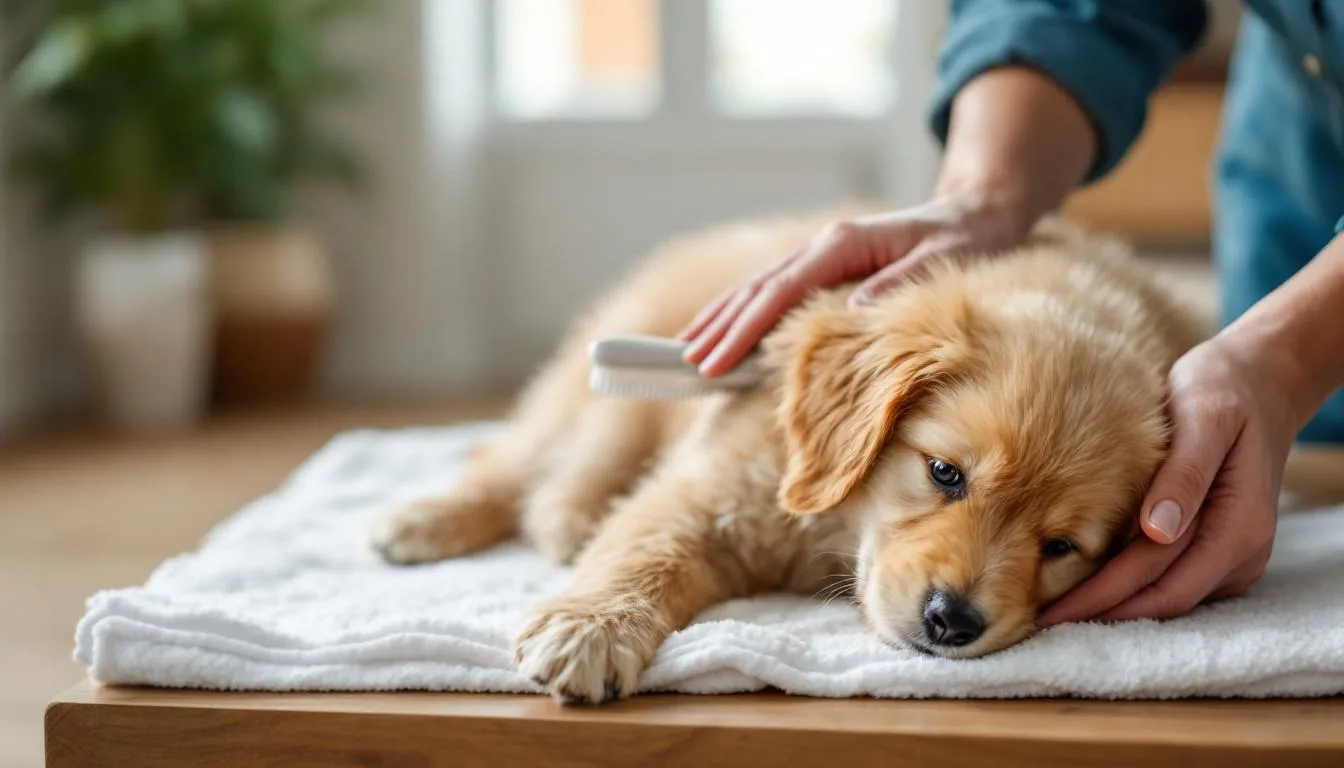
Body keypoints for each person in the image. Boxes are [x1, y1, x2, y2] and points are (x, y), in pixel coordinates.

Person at [678, 0, 1344, 626]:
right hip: (1304, 160)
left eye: (1057, 544)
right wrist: (984, 194)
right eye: (945, 475)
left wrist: (1289, 356)